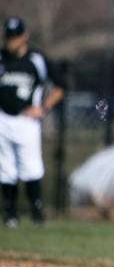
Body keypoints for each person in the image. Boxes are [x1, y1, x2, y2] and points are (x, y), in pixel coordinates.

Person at [0, 17, 66, 227]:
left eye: (15, 36)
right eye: (8, 37)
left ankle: (37, 212)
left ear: (25, 36)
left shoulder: (36, 59)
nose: (11, 41)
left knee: (31, 167)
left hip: (26, 121)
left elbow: (60, 86)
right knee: (6, 168)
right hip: (3, 118)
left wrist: (44, 108)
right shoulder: (2, 59)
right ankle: (10, 214)